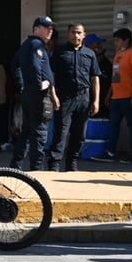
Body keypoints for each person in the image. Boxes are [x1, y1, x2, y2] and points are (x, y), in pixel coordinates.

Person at [47, 23, 101, 171]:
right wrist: (54, 96)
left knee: (79, 134)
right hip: (65, 98)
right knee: (61, 133)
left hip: (84, 98)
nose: (75, 36)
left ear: (84, 35)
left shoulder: (90, 54)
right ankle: (54, 165)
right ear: (68, 34)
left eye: (79, 33)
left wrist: (96, 101)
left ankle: (72, 164)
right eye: (73, 32)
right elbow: (51, 75)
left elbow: (95, 78)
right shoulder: (59, 52)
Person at [10, 16, 59, 171]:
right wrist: (39, 85)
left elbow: (14, 65)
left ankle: (15, 166)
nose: (50, 31)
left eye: (51, 29)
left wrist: (22, 84)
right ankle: (36, 170)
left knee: (27, 132)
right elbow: (34, 66)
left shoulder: (26, 44)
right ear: (36, 29)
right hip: (38, 95)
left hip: (29, 93)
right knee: (39, 133)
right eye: (46, 28)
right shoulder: (36, 45)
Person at [91, 28, 132, 163]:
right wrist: (109, 94)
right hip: (116, 97)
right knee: (114, 125)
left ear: (126, 40)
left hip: (128, 96)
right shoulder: (118, 55)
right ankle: (110, 152)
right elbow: (115, 76)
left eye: (117, 40)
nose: (115, 43)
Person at [85, 33, 112, 119]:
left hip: (103, 103)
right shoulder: (83, 61)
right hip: (86, 102)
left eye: (100, 44)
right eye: (97, 44)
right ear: (89, 46)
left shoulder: (106, 63)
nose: (100, 46)